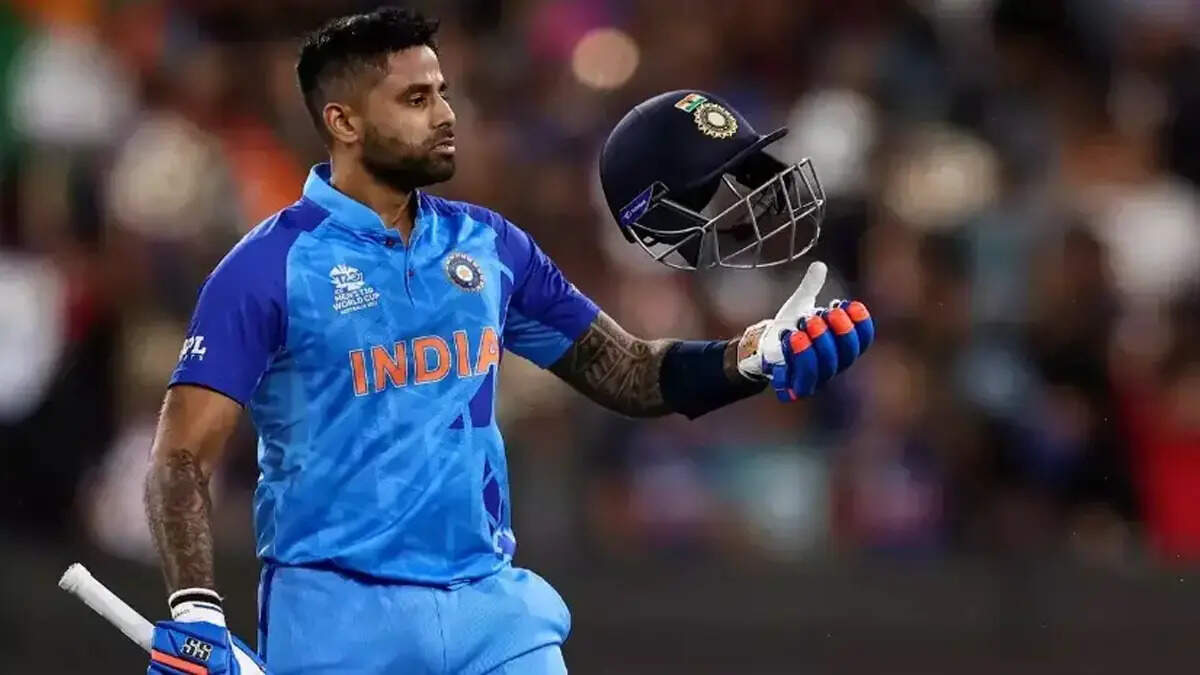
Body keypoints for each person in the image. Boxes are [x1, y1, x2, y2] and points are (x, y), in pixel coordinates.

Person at [144, 7, 874, 674]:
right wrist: (197, 609)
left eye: (443, 92)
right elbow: (180, 458)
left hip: (491, 615)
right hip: (338, 621)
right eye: (416, 99)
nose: (446, 114)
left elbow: (629, 372)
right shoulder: (265, 268)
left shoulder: (490, 245)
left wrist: (755, 355)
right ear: (344, 122)